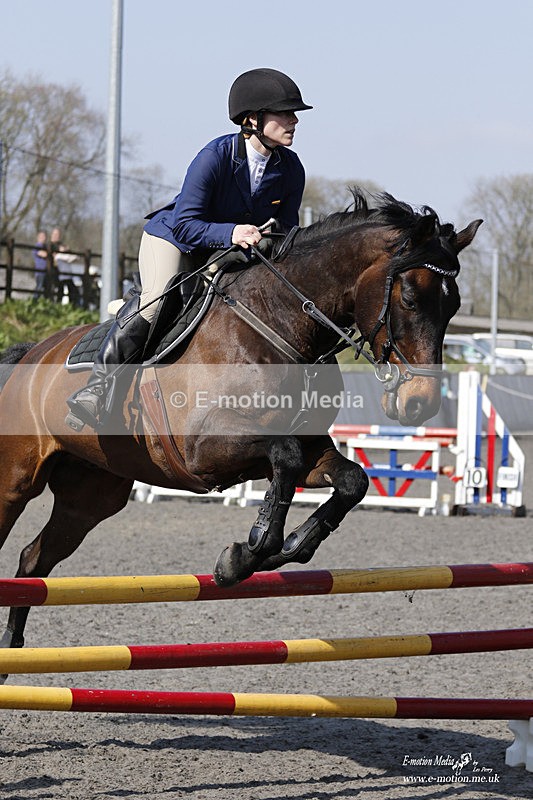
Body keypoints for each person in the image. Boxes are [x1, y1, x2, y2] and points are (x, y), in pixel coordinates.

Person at [66, 67, 312, 431]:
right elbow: (186, 223)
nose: (293, 120)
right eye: (285, 112)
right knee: (157, 301)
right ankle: (97, 389)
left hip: (228, 251)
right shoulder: (214, 157)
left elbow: (284, 232)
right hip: (175, 239)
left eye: (294, 114)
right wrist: (232, 233)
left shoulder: (290, 168)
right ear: (252, 119)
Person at [32, 230, 48, 299]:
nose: (43, 238)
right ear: (38, 237)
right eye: (42, 236)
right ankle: (35, 300)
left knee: (46, 288)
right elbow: (43, 254)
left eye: (44, 236)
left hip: (45, 271)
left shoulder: (45, 247)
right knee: (39, 287)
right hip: (40, 271)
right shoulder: (37, 246)